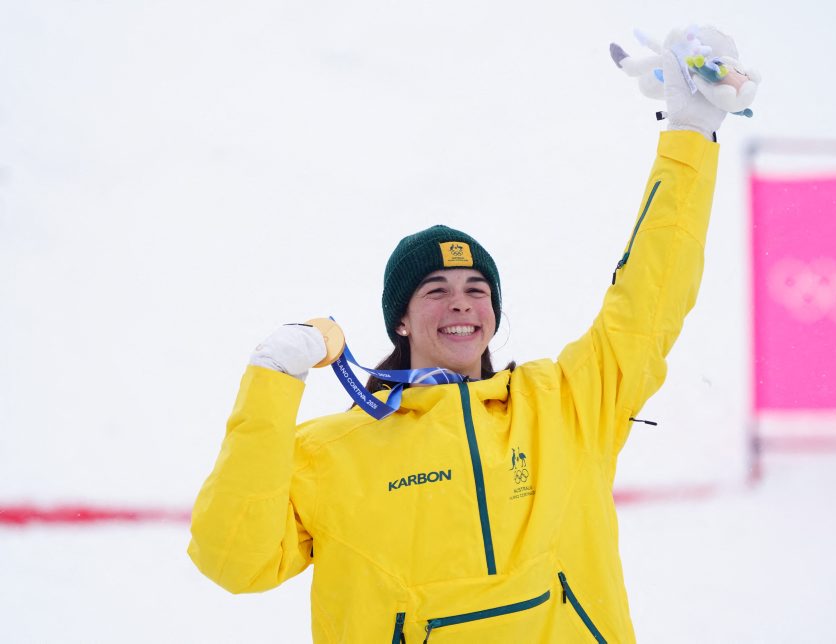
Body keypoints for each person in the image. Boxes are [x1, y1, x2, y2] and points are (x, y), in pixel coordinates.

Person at [189, 25, 758, 643]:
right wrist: (272, 380)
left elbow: (651, 293)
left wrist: (689, 136)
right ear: (401, 320)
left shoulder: (567, 404)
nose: (460, 302)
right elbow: (234, 561)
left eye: (476, 289)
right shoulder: (330, 452)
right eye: (435, 290)